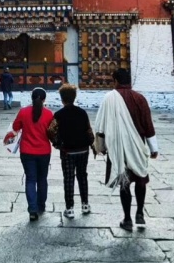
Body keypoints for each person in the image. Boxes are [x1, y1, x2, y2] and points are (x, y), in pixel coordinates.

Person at [94, 68, 158, 232]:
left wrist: (100, 147)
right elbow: (148, 125)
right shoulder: (140, 98)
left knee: (124, 182)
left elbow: (100, 125)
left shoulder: (109, 98)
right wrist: (154, 148)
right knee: (141, 179)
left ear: (115, 80)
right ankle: (140, 214)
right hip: (138, 145)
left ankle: (127, 219)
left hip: (118, 147)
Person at [47, 84, 94, 219]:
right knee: (82, 176)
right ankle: (85, 204)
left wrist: (57, 143)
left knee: (68, 178)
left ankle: (70, 208)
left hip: (67, 151)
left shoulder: (59, 114)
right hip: (83, 150)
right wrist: (93, 144)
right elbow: (88, 130)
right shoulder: (82, 112)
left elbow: (51, 130)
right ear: (74, 97)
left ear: (62, 99)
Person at [9, 87, 54, 221]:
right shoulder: (49, 114)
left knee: (30, 179)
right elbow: (52, 133)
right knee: (42, 179)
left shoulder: (23, 112)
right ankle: (41, 205)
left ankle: (32, 209)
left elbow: (15, 128)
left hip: (27, 151)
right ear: (44, 99)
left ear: (31, 98)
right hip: (44, 151)